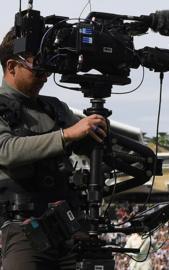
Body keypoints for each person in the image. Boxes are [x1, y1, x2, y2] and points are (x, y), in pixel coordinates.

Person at [0, 28, 108, 270]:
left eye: (49, 69)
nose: (45, 77)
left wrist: (98, 131)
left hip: (69, 227)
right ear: (11, 66)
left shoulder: (55, 108)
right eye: (38, 69)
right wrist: (67, 135)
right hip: (24, 230)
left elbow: (86, 144)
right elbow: (6, 151)